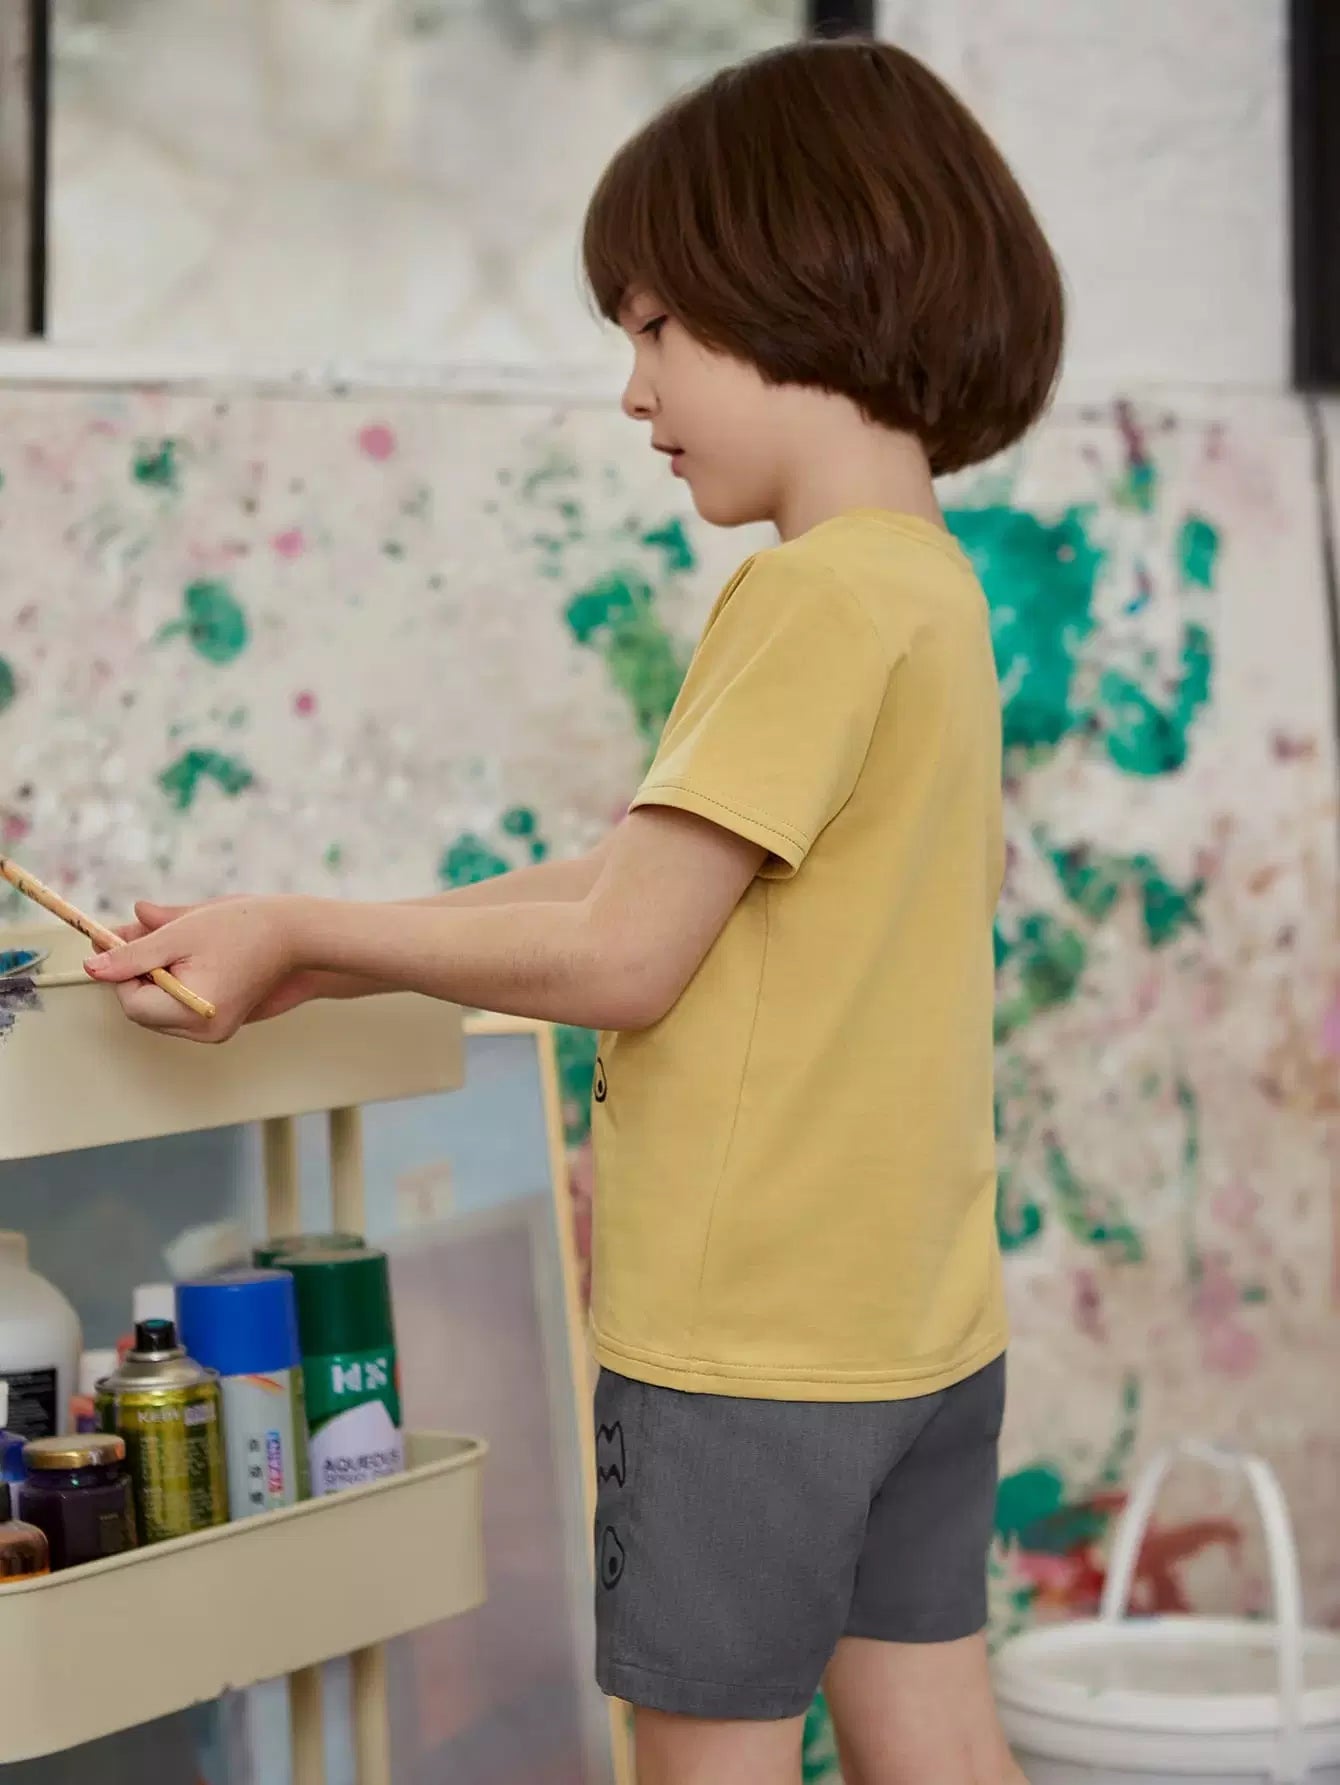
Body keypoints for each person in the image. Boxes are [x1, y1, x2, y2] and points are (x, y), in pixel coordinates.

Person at [91, 36, 1061, 1785]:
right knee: (940, 1746)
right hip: (918, 1333)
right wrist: (313, 941)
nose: (634, 390)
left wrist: (311, 931)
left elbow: (625, 948)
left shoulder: (803, 601)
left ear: (805, 280)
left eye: (655, 327)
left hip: (745, 1357)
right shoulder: (933, 598)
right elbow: (652, 880)